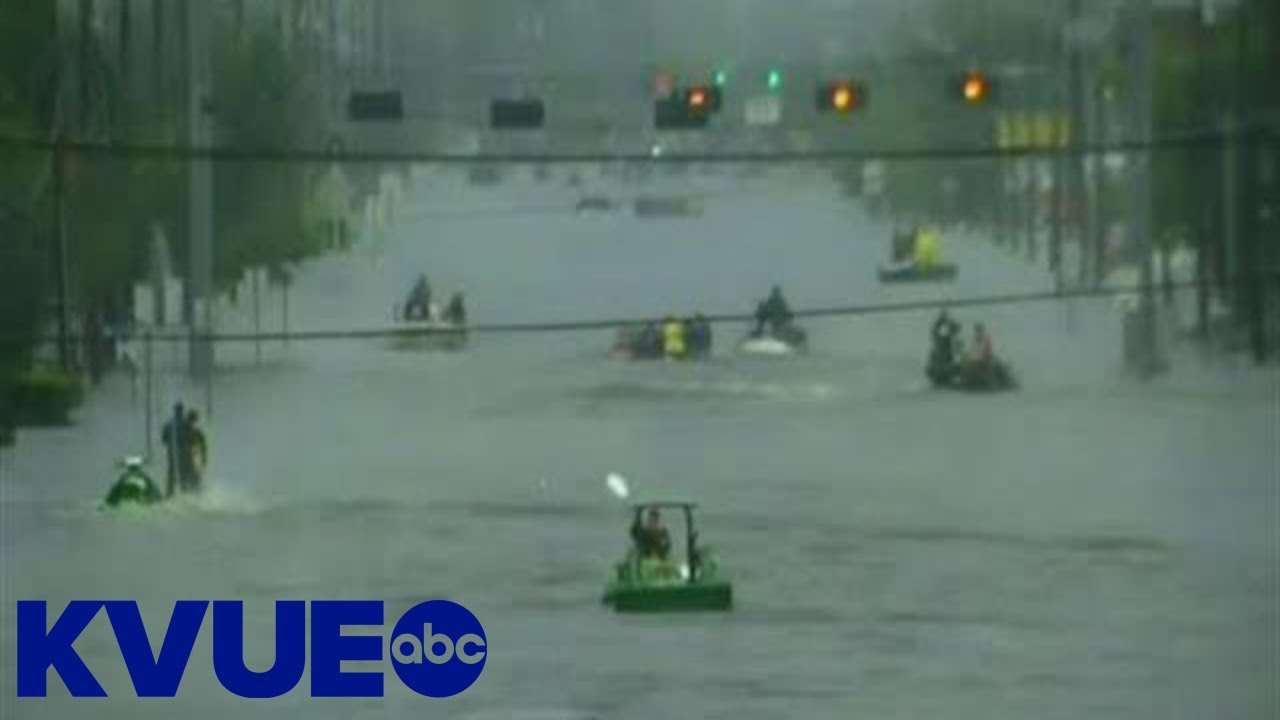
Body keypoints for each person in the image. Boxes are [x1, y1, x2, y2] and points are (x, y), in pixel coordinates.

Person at [160, 402, 186, 497]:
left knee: (172, 472)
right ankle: (184, 492)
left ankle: (169, 493)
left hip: (171, 452)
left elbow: (163, 439)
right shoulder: (185, 423)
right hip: (183, 453)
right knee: (183, 472)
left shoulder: (169, 424)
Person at [182, 409, 208, 492]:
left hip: (195, 456)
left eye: (193, 420)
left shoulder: (197, 432)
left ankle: (196, 491)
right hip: (188, 457)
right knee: (188, 477)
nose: (192, 423)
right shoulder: (185, 431)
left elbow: (203, 446)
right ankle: (190, 491)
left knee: (196, 477)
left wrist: (204, 457)